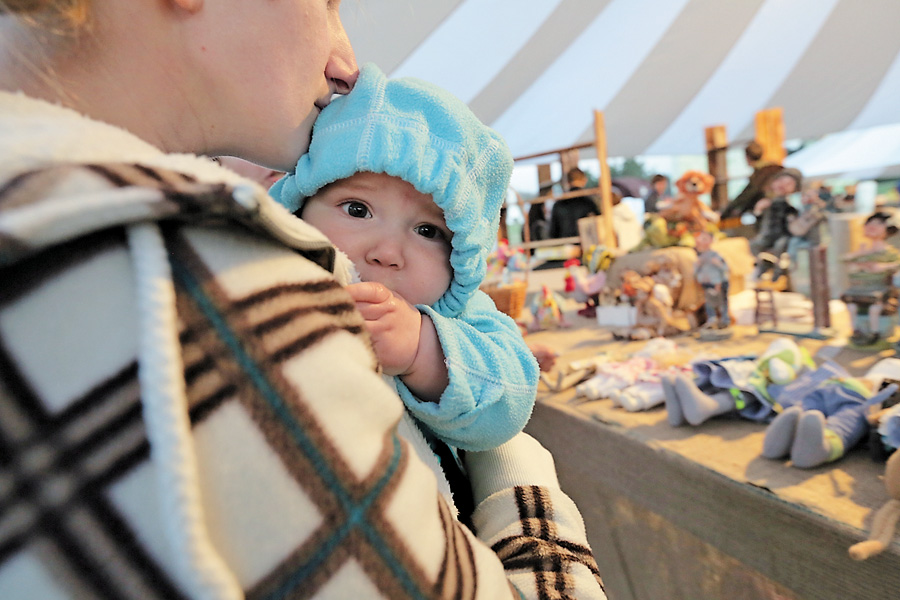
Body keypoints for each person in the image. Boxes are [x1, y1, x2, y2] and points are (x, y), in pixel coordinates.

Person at [0, 2, 606, 599]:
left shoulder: (50, 215)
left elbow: (508, 383)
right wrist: (521, 475)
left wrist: (427, 351)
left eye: (430, 232)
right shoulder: (202, 272)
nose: (347, 64)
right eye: (327, 1)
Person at [270, 64, 540, 508]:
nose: (388, 252)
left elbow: (511, 398)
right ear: (298, 206)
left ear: (462, 260)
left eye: (428, 232)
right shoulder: (270, 283)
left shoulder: (460, 314)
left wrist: (424, 351)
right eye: (357, 209)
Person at [840, 211, 900, 346]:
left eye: (878, 224)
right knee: (851, 306)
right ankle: (856, 331)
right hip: (859, 289)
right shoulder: (863, 252)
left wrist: (883, 266)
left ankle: (875, 333)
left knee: (875, 308)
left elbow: (897, 263)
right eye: (870, 223)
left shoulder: (889, 252)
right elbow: (844, 260)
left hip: (879, 289)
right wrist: (860, 257)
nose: (872, 227)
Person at [749, 168, 802, 282]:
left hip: (785, 236)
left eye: (788, 184)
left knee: (780, 247)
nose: (782, 185)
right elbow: (760, 224)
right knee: (756, 244)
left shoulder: (791, 203)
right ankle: (763, 268)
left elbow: (795, 221)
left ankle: (777, 274)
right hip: (768, 234)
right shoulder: (768, 201)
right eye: (781, 181)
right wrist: (758, 211)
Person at [720, 140, 785, 220]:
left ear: (747, 157)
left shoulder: (761, 173)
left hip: (768, 212)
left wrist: (724, 213)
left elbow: (746, 195)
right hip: (782, 207)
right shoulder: (776, 167)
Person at [549, 167, 600, 239]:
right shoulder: (589, 202)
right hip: (585, 244)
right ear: (584, 180)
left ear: (568, 182)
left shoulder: (558, 204)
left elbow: (553, 233)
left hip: (565, 245)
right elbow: (599, 225)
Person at [694, 230, 731, 329]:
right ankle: (712, 319)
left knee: (722, 302)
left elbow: (725, 268)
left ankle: (724, 319)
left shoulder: (715, 255)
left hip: (719, 283)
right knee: (710, 303)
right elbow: (696, 271)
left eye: (704, 239)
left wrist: (718, 264)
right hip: (708, 284)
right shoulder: (700, 257)